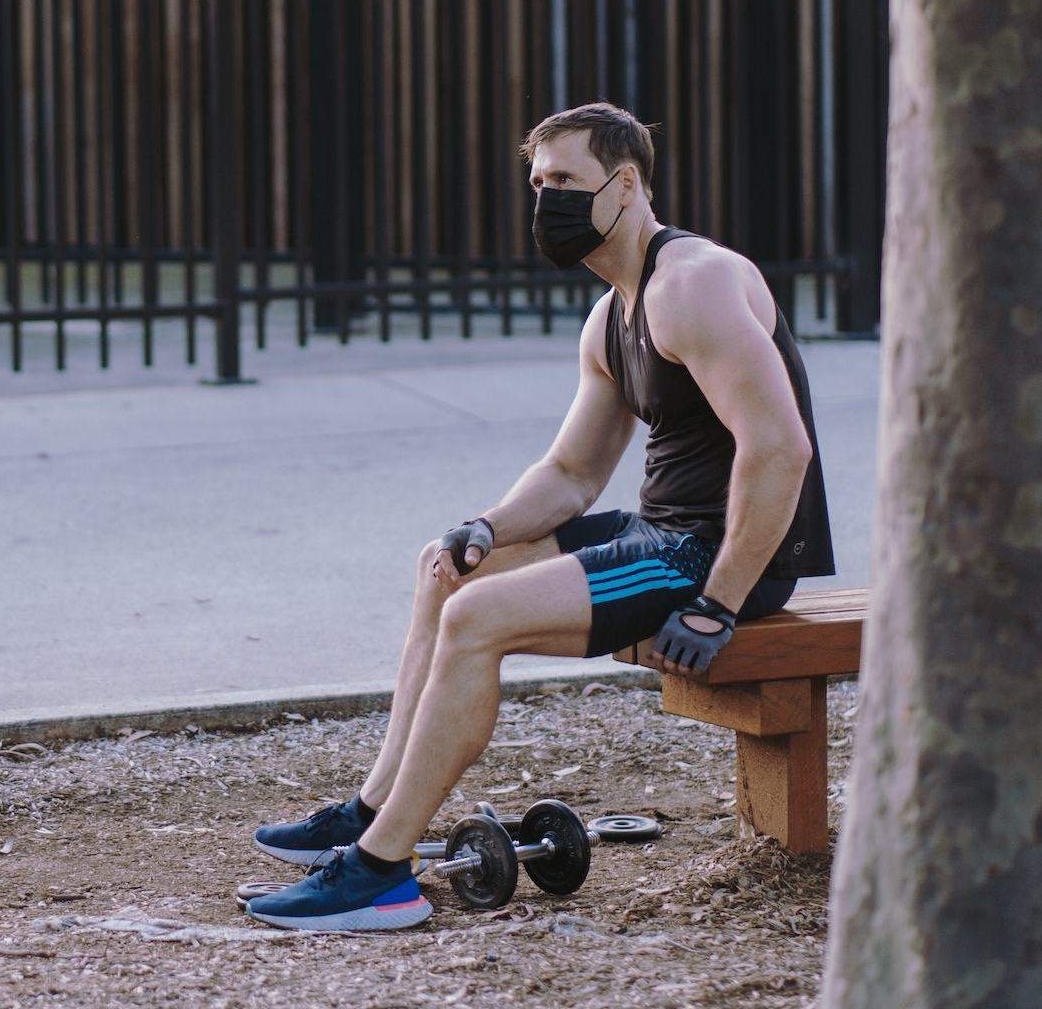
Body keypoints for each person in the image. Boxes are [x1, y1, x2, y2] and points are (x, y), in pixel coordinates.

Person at [244, 102, 835, 932]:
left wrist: (720, 601)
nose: (547, 200)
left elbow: (781, 450)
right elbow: (571, 471)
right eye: (539, 183)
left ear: (625, 185)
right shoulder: (612, 315)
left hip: (719, 559)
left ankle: (382, 875)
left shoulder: (692, 284)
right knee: (450, 574)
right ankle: (373, 812)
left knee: (479, 619)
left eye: (566, 182)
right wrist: (485, 527)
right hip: (661, 536)